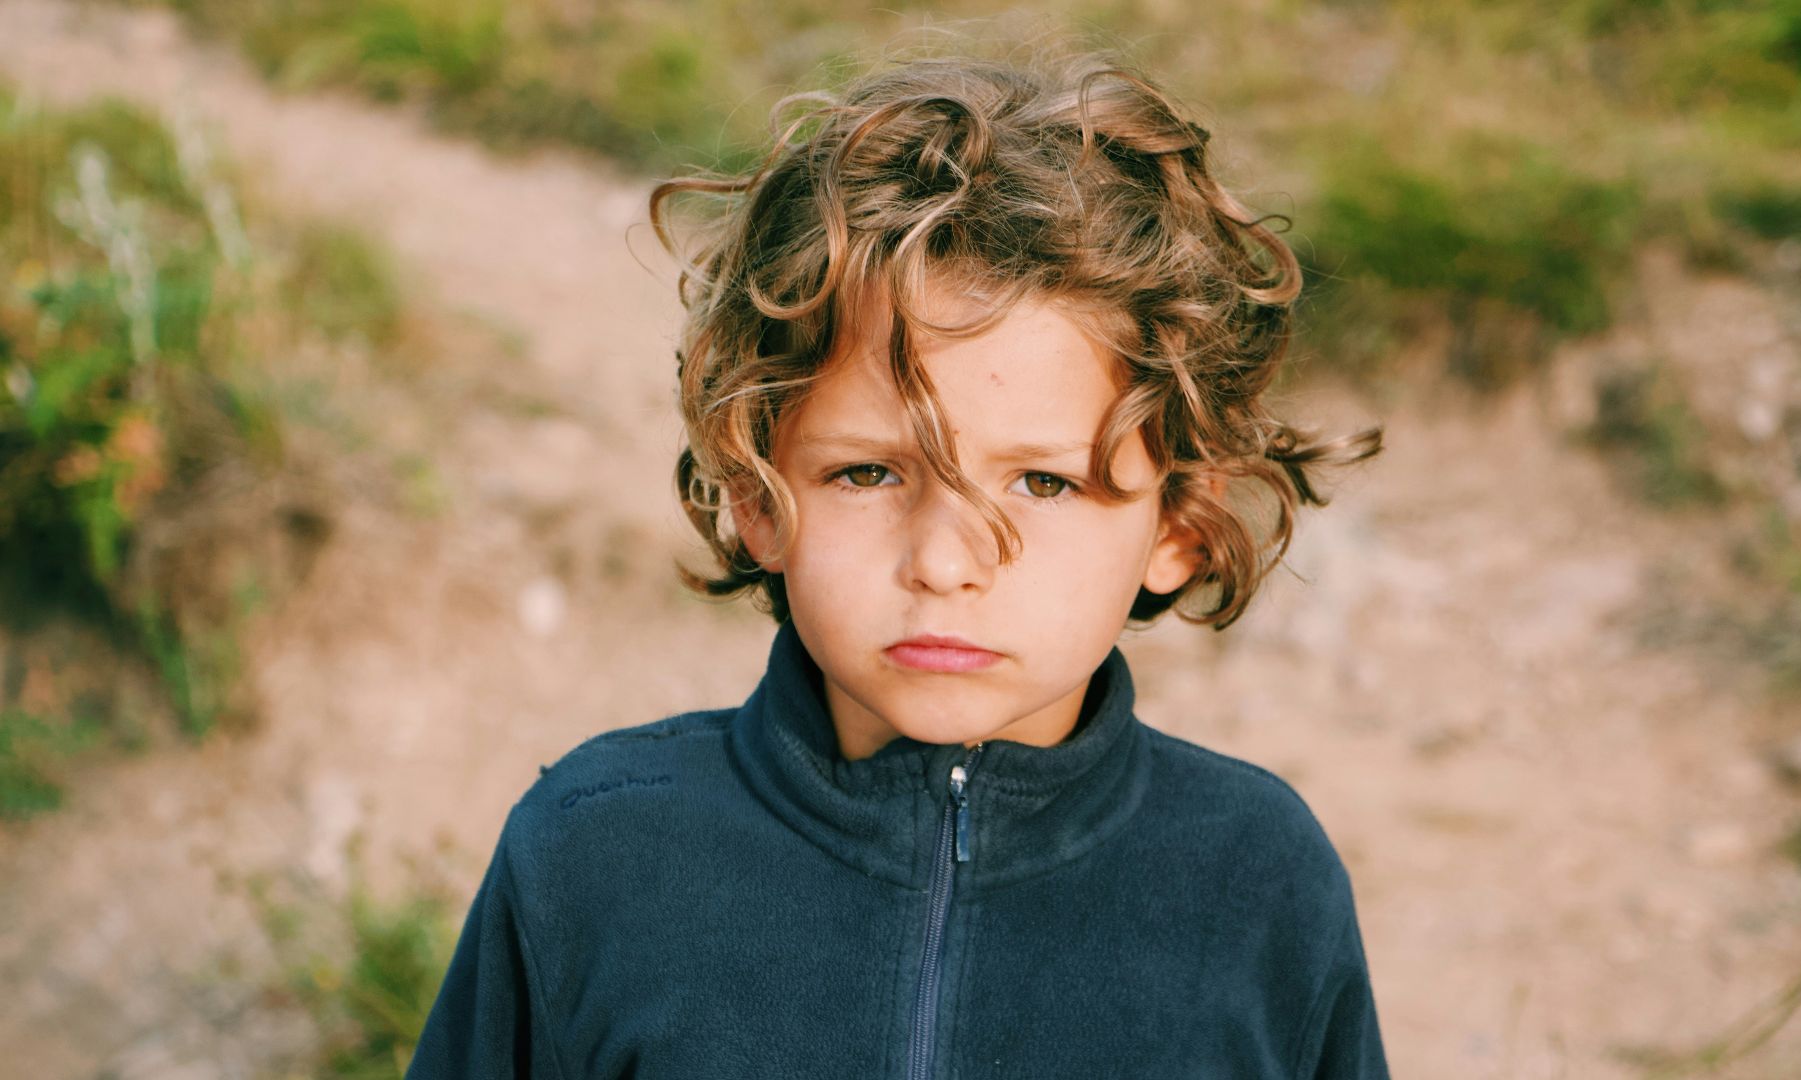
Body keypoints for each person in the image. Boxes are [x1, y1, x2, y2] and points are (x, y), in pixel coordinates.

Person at [408, 38, 1389, 1080]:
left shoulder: (1258, 883)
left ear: (1180, 522)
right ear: (757, 492)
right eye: (869, 473)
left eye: (1043, 483)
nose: (944, 564)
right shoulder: (594, 851)